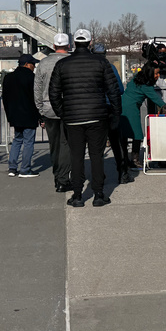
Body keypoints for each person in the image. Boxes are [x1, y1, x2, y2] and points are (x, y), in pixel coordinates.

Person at [49, 29, 122, 208]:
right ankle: (98, 194)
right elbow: (113, 91)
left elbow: (54, 92)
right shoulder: (101, 62)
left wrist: (62, 113)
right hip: (97, 116)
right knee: (97, 156)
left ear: (73, 43)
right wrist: (115, 113)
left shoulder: (63, 64)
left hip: (73, 118)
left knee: (77, 156)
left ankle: (77, 195)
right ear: (90, 43)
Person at [34, 33, 71, 192]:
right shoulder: (71, 61)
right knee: (67, 144)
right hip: (69, 108)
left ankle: (57, 175)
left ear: (54, 46)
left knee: (54, 144)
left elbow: (37, 88)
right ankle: (63, 178)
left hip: (49, 109)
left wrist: (40, 110)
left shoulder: (44, 63)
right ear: (68, 46)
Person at [120, 62, 166, 169]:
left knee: (124, 133)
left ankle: (124, 159)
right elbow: (156, 99)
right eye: (156, 73)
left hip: (124, 104)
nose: (157, 75)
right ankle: (134, 159)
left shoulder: (137, 77)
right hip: (130, 107)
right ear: (149, 72)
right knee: (137, 133)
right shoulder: (146, 85)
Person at [93, 42, 131, 184]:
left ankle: (98, 176)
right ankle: (123, 174)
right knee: (117, 144)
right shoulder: (111, 67)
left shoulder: (90, 68)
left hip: (96, 110)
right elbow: (120, 89)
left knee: (96, 145)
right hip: (110, 109)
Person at [2, 54, 40, 178]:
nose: (34, 66)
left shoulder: (8, 78)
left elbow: (5, 98)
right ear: (27, 64)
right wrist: (40, 116)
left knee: (17, 140)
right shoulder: (32, 78)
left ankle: (12, 168)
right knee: (28, 142)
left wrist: (9, 115)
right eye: (33, 64)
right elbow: (36, 98)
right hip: (29, 115)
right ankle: (25, 169)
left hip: (14, 115)